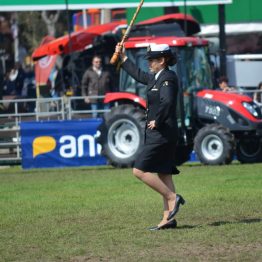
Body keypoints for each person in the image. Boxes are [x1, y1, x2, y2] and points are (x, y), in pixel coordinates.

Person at [115, 42, 185, 230]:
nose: (149, 63)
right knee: (163, 174)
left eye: (152, 60)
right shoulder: (156, 76)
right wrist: (123, 58)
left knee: (139, 170)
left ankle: (173, 198)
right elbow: (139, 75)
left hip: (162, 132)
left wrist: (158, 121)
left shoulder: (168, 78)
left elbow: (168, 101)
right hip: (160, 133)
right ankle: (168, 219)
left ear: (162, 60)